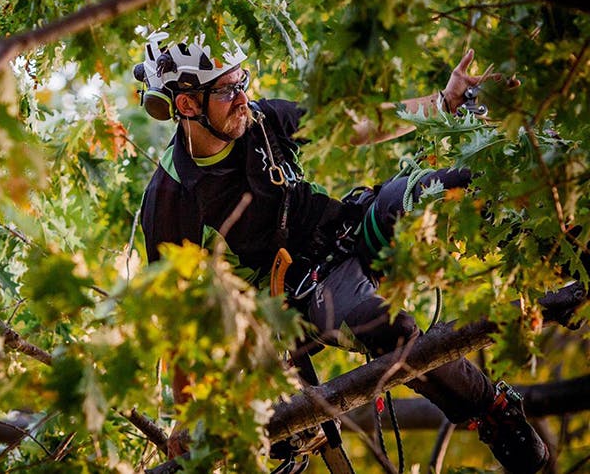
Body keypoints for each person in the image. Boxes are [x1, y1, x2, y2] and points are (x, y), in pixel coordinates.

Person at [134, 31, 549, 473]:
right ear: (187, 105)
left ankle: (558, 227)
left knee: (438, 186)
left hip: (352, 227)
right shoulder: (172, 195)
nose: (242, 97)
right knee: (389, 330)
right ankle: (493, 411)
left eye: (242, 82)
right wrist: (186, 413)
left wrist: (443, 102)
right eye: (225, 90)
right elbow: (175, 313)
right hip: (307, 292)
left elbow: (353, 126)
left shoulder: (263, 118)